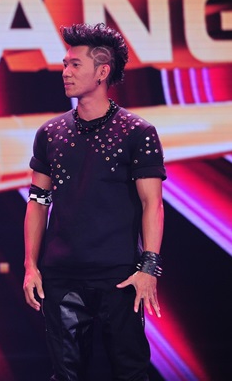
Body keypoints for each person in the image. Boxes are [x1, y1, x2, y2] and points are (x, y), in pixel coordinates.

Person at [22, 23, 166, 380]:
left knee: (130, 371)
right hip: (61, 277)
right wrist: (31, 266)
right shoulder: (50, 133)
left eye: (75, 65)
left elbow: (153, 204)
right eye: (65, 64)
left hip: (120, 277)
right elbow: (38, 201)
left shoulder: (138, 133)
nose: (65, 72)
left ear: (102, 72)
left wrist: (148, 269)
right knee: (66, 373)